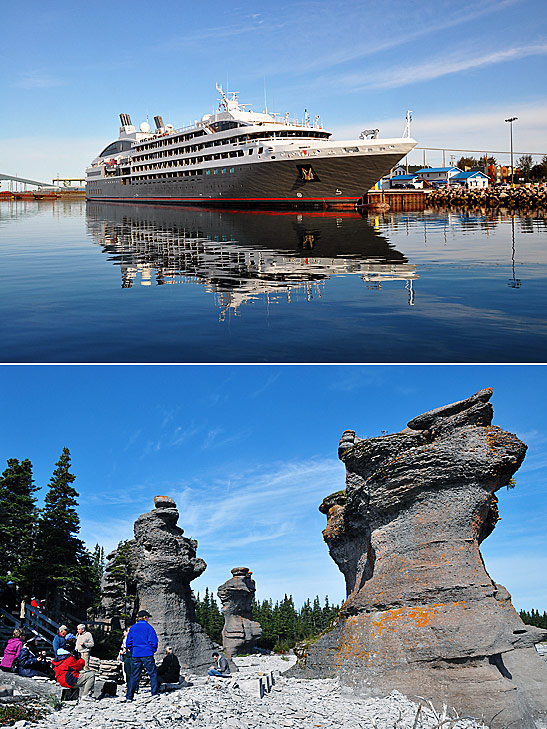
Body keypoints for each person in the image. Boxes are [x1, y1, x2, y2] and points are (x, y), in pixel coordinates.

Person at [125, 610, 159, 701]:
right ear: (145, 617)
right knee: (152, 673)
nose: (148, 619)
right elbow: (154, 641)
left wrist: (133, 650)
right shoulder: (149, 628)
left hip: (136, 654)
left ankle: (129, 696)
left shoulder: (133, 628)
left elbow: (128, 642)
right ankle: (154, 693)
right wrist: (152, 650)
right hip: (147, 653)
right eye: (148, 617)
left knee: (134, 675)